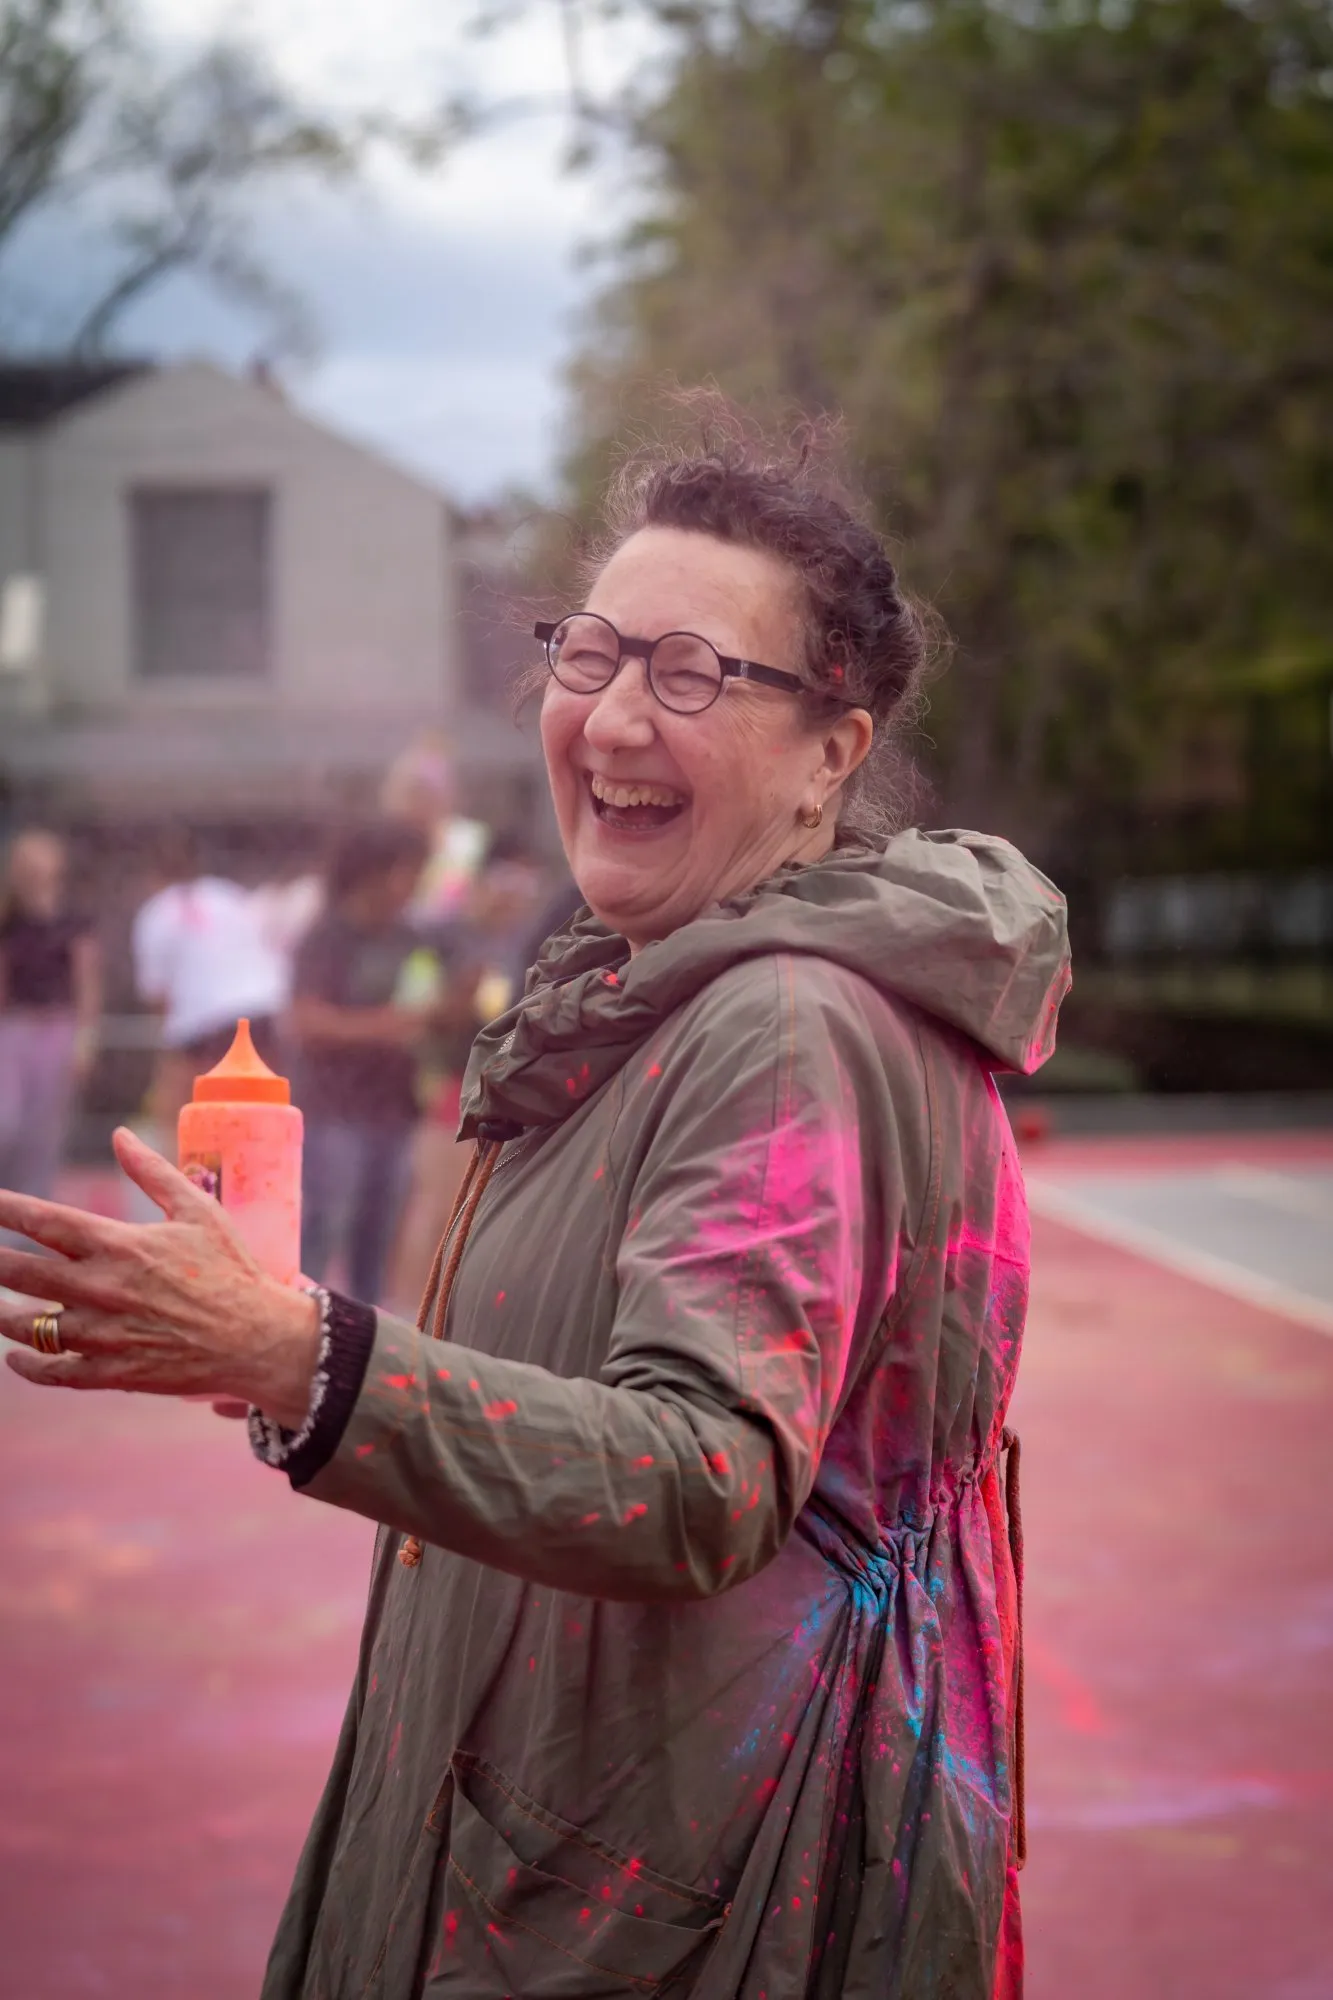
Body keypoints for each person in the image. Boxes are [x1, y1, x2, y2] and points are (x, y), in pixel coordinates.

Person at [0, 397, 1070, 2000]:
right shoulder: (647, 995)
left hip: (680, 1888)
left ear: (831, 753)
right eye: (593, 654)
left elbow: (703, 1473)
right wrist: (290, 1343)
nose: (619, 719)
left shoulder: (780, 1022)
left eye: (695, 673)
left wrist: (313, 1358)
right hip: (597, 1828)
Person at [289, 818, 436, 1306]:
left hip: (393, 1110)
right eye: (406, 871)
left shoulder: (412, 936)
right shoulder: (327, 937)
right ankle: (298, 1319)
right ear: (373, 872)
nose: (413, 884)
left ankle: (369, 1343)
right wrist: (384, 1027)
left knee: (378, 1239)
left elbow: (426, 1010)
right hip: (335, 1112)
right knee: (323, 1226)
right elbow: (307, 1022)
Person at [131, 829, 288, 1132]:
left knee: (183, 1113)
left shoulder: (156, 913)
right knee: (260, 1111)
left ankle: (184, 1175)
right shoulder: (228, 894)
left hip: (204, 1020)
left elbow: (158, 996)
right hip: (265, 1008)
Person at [0, 829, 100, 1245]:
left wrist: (85, 1038)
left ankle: (31, 1225)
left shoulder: (73, 921)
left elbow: (87, 981)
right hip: (14, 1028)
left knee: (45, 1130)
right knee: (8, 1121)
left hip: (56, 1028)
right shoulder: (10, 921)